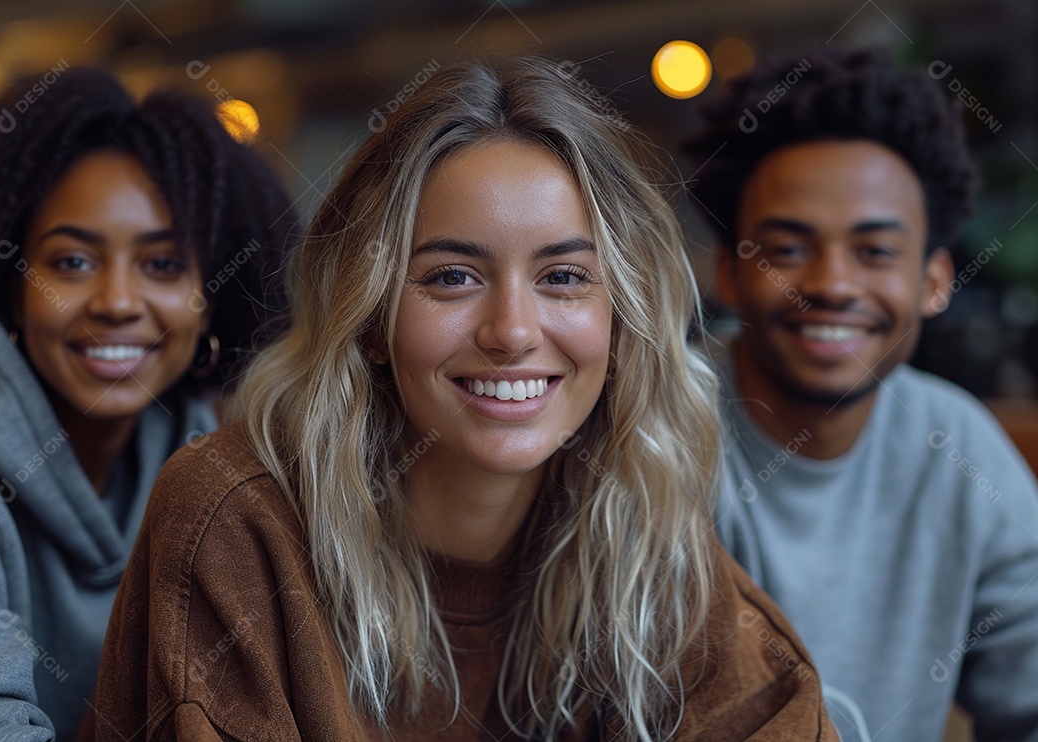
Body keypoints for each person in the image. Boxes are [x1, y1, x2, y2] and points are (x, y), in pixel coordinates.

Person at [88, 57, 838, 740]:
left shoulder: (640, 527)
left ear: (621, 322)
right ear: (372, 318)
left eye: (564, 277)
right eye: (452, 276)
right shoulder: (237, 520)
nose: (512, 331)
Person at [685, 48, 1038, 741]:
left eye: (875, 252)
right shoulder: (653, 431)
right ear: (731, 272)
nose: (833, 284)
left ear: (934, 281)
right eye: (788, 249)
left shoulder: (959, 447)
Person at [0, 67, 294, 740]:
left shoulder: (229, 473)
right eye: (72, 263)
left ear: (211, 303)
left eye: (162, 265)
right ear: (13, 287)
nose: (115, 302)